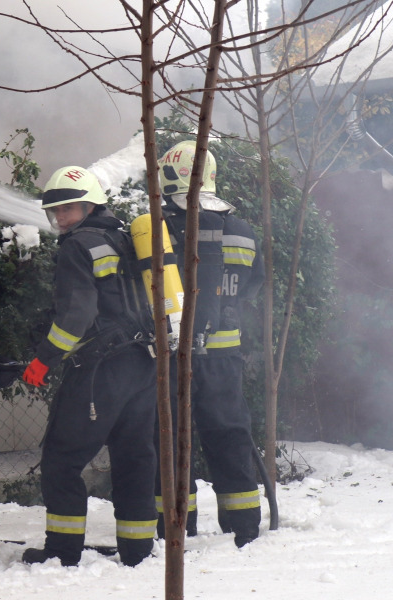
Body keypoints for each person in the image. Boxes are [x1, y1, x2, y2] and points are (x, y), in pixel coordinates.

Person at [20, 165, 158, 567]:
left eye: (69, 209)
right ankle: (137, 550)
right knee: (135, 457)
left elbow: (77, 314)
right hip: (143, 365)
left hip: (102, 368)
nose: (61, 218)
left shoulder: (77, 246)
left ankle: (62, 554)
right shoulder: (125, 238)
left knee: (61, 459)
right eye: (55, 212)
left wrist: (43, 359)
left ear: (90, 204)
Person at [155, 140, 265, 548]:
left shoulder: (163, 225)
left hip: (173, 353)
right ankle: (244, 525)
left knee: (168, 435)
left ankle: (177, 525)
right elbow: (255, 282)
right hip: (225, 355)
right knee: (230, 432)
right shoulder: (242, 229)